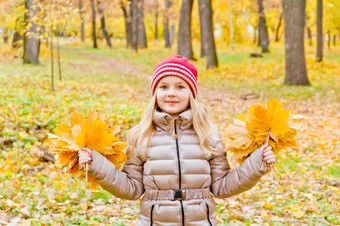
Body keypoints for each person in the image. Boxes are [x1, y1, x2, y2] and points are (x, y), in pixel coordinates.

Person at [79, 55, 276, 226]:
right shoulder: (141, 135)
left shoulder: (209, 134)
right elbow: (131, 188)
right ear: (155, 93)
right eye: (164, 86)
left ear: (192, 93)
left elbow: (222, 186)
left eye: (180, 86)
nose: (171, 93)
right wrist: (96, 163)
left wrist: (257, 162)